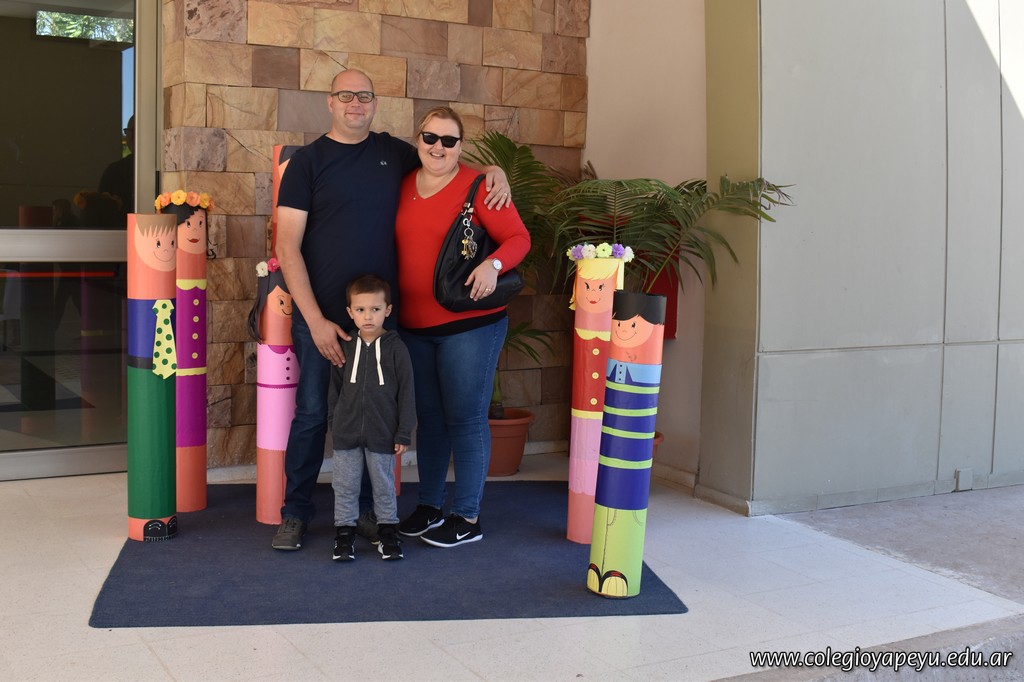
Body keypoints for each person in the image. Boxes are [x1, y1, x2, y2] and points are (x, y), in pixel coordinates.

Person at [272, 69, 511, 551]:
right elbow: (287, 246)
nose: (355, 103)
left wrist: (493, 171)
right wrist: (315, 321)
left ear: (374, 103)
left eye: (364, 95)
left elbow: (442, 158)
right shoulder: (306, 164)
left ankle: (366, 512)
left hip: (379, 324)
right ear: (330, 102)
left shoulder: (392, 153)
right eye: (346, 95)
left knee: (375, 418)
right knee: (314, 415)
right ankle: (295, 513)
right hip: (323, 320)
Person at [395, 106, 530, 548]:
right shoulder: (402, 183)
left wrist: (493, 265)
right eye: (430, 138)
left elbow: (519, 238)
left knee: (466, 418)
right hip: (414, 327)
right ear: (418, 139)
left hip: (470, 325)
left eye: (449, 140)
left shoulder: (481, 186)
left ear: (461, 146)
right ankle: (430, 507)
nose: (438, 147)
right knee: (430, 420)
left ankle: (467, 516)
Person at [330, 275, 415, 562]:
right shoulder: (344, 346)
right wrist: (334, 423)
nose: (368, 316)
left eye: (375, 309)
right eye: (361, 309)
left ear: (387, 310)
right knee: (345, 486)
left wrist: (404, 432)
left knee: (383, 485)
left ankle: (388, 533)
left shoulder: (396, 348)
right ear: (350, 312)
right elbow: (334, 390)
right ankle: (344, 535)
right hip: (346, 433)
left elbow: (407, 392)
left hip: (383, 433)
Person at [98, 115, 134, 216]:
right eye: (129, 131)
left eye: (136, 131)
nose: (132, 137)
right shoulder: (115, 171)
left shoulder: (157, 169)